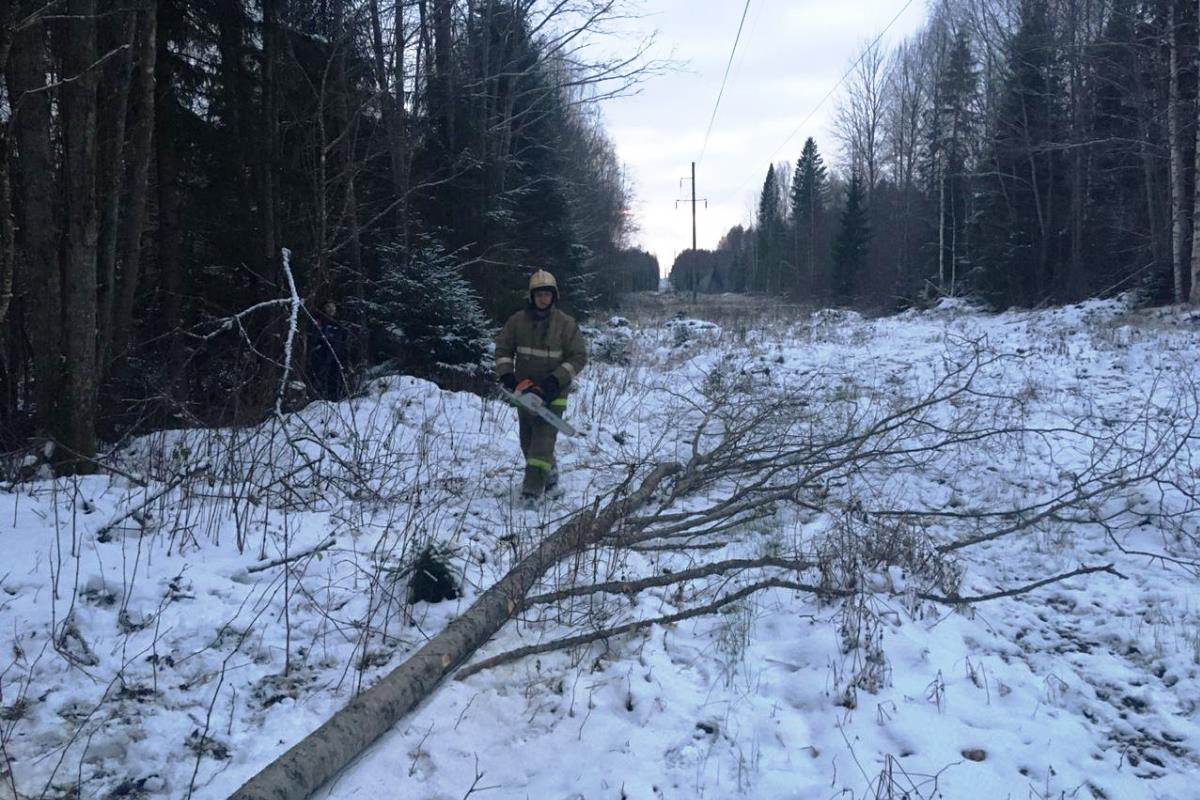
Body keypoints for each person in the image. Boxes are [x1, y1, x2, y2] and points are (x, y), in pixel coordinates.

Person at [494, 270, 588, 499]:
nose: (543, 299)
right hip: (525, 392)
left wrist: (554, 380)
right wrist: (507, 375)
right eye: (539, 294)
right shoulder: (517, 322)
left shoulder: (566, 325)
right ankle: (551, 474)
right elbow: (503, 350)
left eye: (547, 294)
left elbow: (578, 357)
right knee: (527, 441)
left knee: (542, 443)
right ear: (532, 296)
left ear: (553, 296)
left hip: (553, 392)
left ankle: (531, 493)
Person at [309, 299, 349, 400]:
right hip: (322, 355)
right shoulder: (319, 321)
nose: (331, 309)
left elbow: (344, 340)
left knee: (336, 378)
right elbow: (314, 338)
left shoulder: (339, 323)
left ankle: (336, 397)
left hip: (337, 356)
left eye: (333, 307)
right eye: (328, 307)